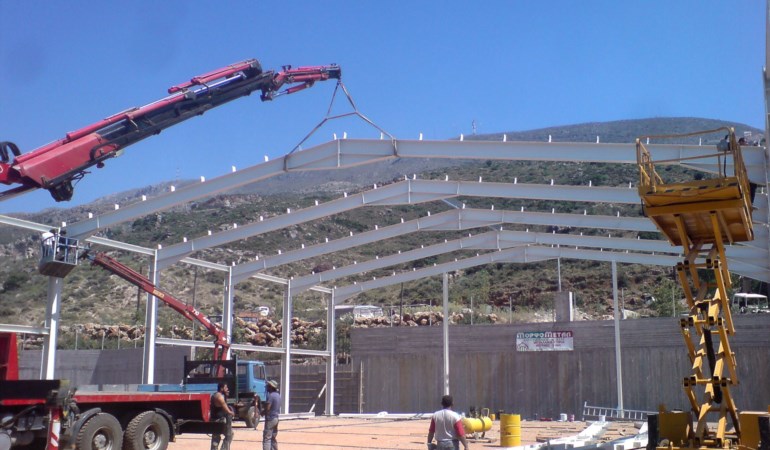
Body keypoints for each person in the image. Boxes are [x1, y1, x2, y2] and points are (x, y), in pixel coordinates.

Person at [210, 382, 234, 450]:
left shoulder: (216, 395)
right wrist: (231, 413)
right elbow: (227, 409)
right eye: (226, 387)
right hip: (218, 420)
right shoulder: (219, 397)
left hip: (216, 419)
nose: (227, 389)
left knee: (216, 437)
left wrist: (226, 396)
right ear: (221, 388)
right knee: (229, 435)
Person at [262, 379, 280, 450]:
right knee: (273, 437)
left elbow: (268, 408)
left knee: (267, 438)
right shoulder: (278, 395)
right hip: (276, 418)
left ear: (271, 387)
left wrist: (263, 412)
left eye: (268, 386)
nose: (266, 387)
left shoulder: (271, 396)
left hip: (270, 419)